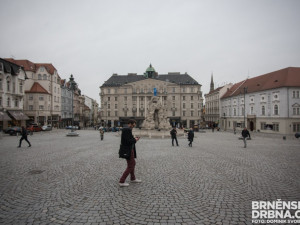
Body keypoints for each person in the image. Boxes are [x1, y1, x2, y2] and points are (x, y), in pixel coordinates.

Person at [119, 119, 141, 187]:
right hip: (128, 150)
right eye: (134, 124)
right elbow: (128, 141)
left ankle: (133, 178)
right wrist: (135, 139)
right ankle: (122, 181)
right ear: (130, 124)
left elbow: (127, 139)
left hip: (129, 149)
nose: (134, 126)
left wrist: (134, 139)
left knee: (132, 163)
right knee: (131, 165)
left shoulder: (126, 129)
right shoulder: (127, 130)